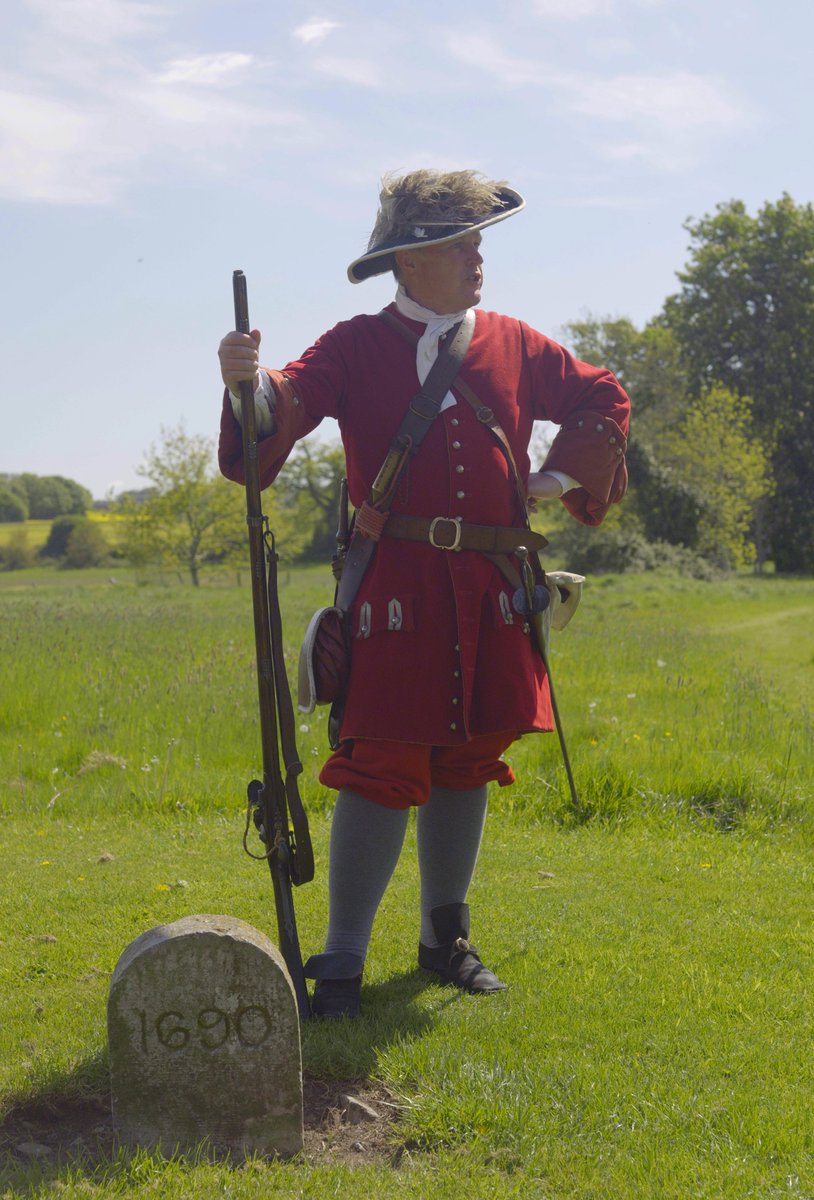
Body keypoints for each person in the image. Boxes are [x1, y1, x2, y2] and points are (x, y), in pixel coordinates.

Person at [218, 169, 630, 1018]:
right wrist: (243, 385)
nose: (478, 258)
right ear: (409, 261)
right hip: (396, 591)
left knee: (471, 758)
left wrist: (555, 478)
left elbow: (600, 393)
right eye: (458, 244)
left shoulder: (515, 342)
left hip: (492, 589)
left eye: (478, 243)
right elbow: (284, 403)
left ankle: (447, 941)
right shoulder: (354, 345)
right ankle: (341, 961)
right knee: (380, 764)